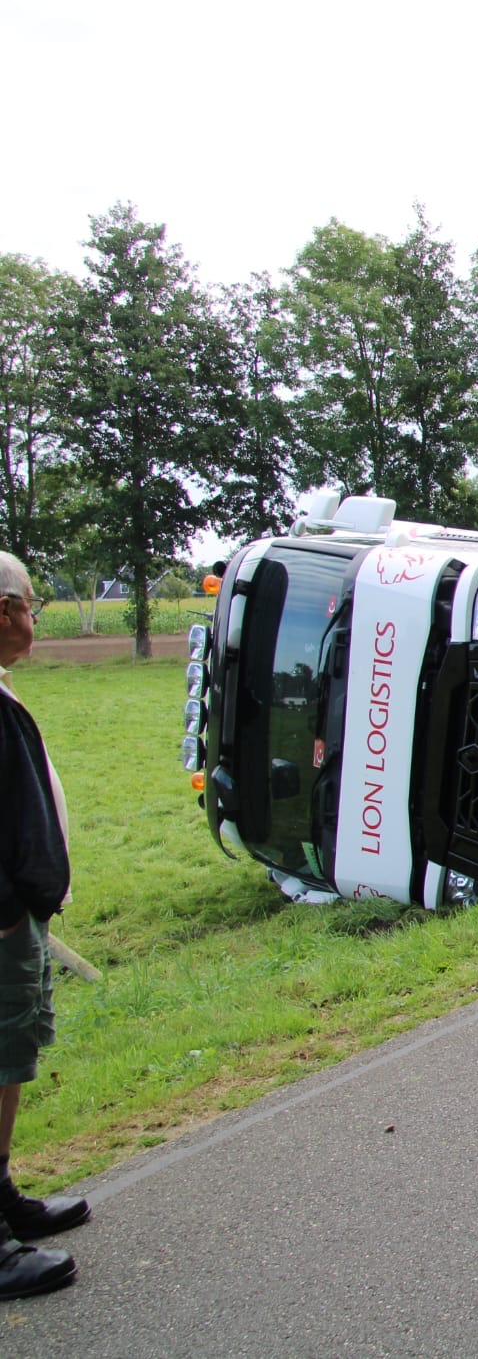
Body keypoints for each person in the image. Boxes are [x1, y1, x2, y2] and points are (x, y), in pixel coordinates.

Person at [0, 553, 89, 1300]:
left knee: (11, 1053)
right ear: (3, 609)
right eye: (31, 603)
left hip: (16, 914)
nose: (34, 616)